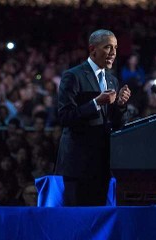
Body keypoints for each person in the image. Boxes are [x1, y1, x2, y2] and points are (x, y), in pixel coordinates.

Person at [55, 29, 131, 206]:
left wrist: (120, 105)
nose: (113, 53)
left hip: (102, 165)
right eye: (108, 47)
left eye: (115, 48)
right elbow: (65, 117)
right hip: (78, 165)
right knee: (77, 221)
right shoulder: (73, 76)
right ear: (92, 49)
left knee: (97, 220)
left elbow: (114, 123)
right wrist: (96, 103)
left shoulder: (112, 80)